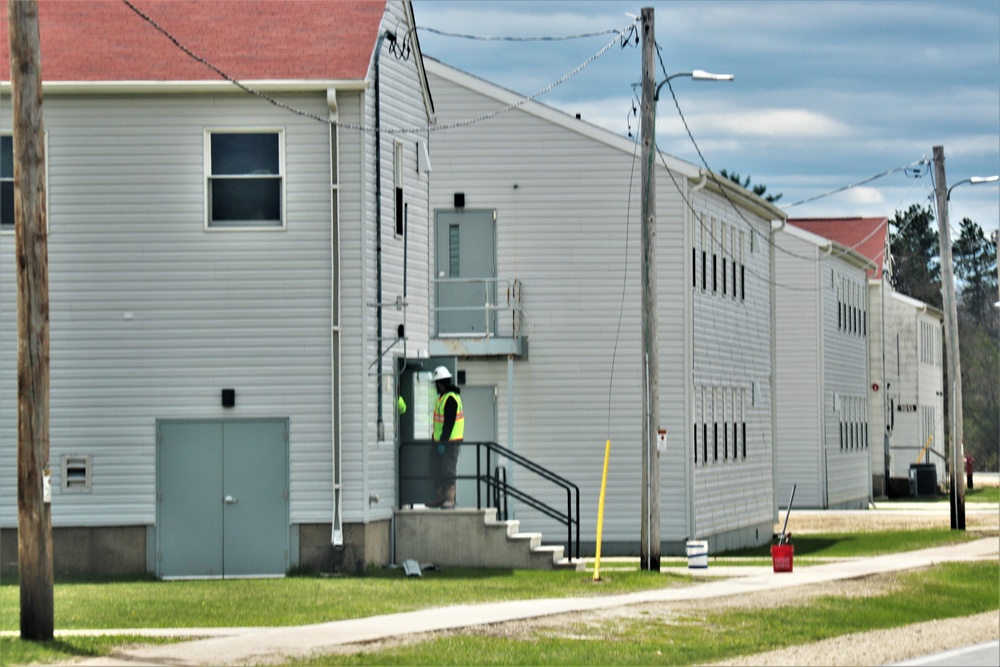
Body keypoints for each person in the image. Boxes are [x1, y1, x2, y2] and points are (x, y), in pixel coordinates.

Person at [426, 366, 463, 509]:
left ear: (441, 383)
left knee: (448, 469)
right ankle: (441, 497)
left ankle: (449, 499)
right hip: (440, 441)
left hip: (450, 442)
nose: (436, 386)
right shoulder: (443, 398)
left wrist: (442, 442)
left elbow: (449, 423)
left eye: (436, 383)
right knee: (435, 467)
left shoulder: (451, 399)